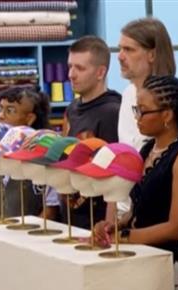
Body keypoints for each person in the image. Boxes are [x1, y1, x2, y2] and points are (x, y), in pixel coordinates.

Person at [92, 75, 178, 261]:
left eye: (142, 111)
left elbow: (176, 228)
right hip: (141, 253)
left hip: (166, 259)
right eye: (136, 109)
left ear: (167, 115)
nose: (136, 117)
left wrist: (124, 237)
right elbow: (140, 210)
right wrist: (114, 226)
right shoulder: (148, 149)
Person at [62, 35, 122, 230]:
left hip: (96, 220)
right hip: (71, 214)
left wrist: (109, 225)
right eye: (70, 66)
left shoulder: (113, 112)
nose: (71, 74)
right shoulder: (72, 108)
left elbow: (116, 173)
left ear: (100, 72)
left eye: (80, 68)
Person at [0, 87, 58, 221]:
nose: (1, 116)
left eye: (10, 110)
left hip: (31, 231)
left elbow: (50, 210)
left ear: (30, 118)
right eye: (0, 109)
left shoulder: (45, 154)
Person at [117, 17, 176, 150]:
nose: (120, 56)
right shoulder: (129, 93)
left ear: (152, 55)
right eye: (120, 49)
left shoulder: (170, 98)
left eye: (129, 49)